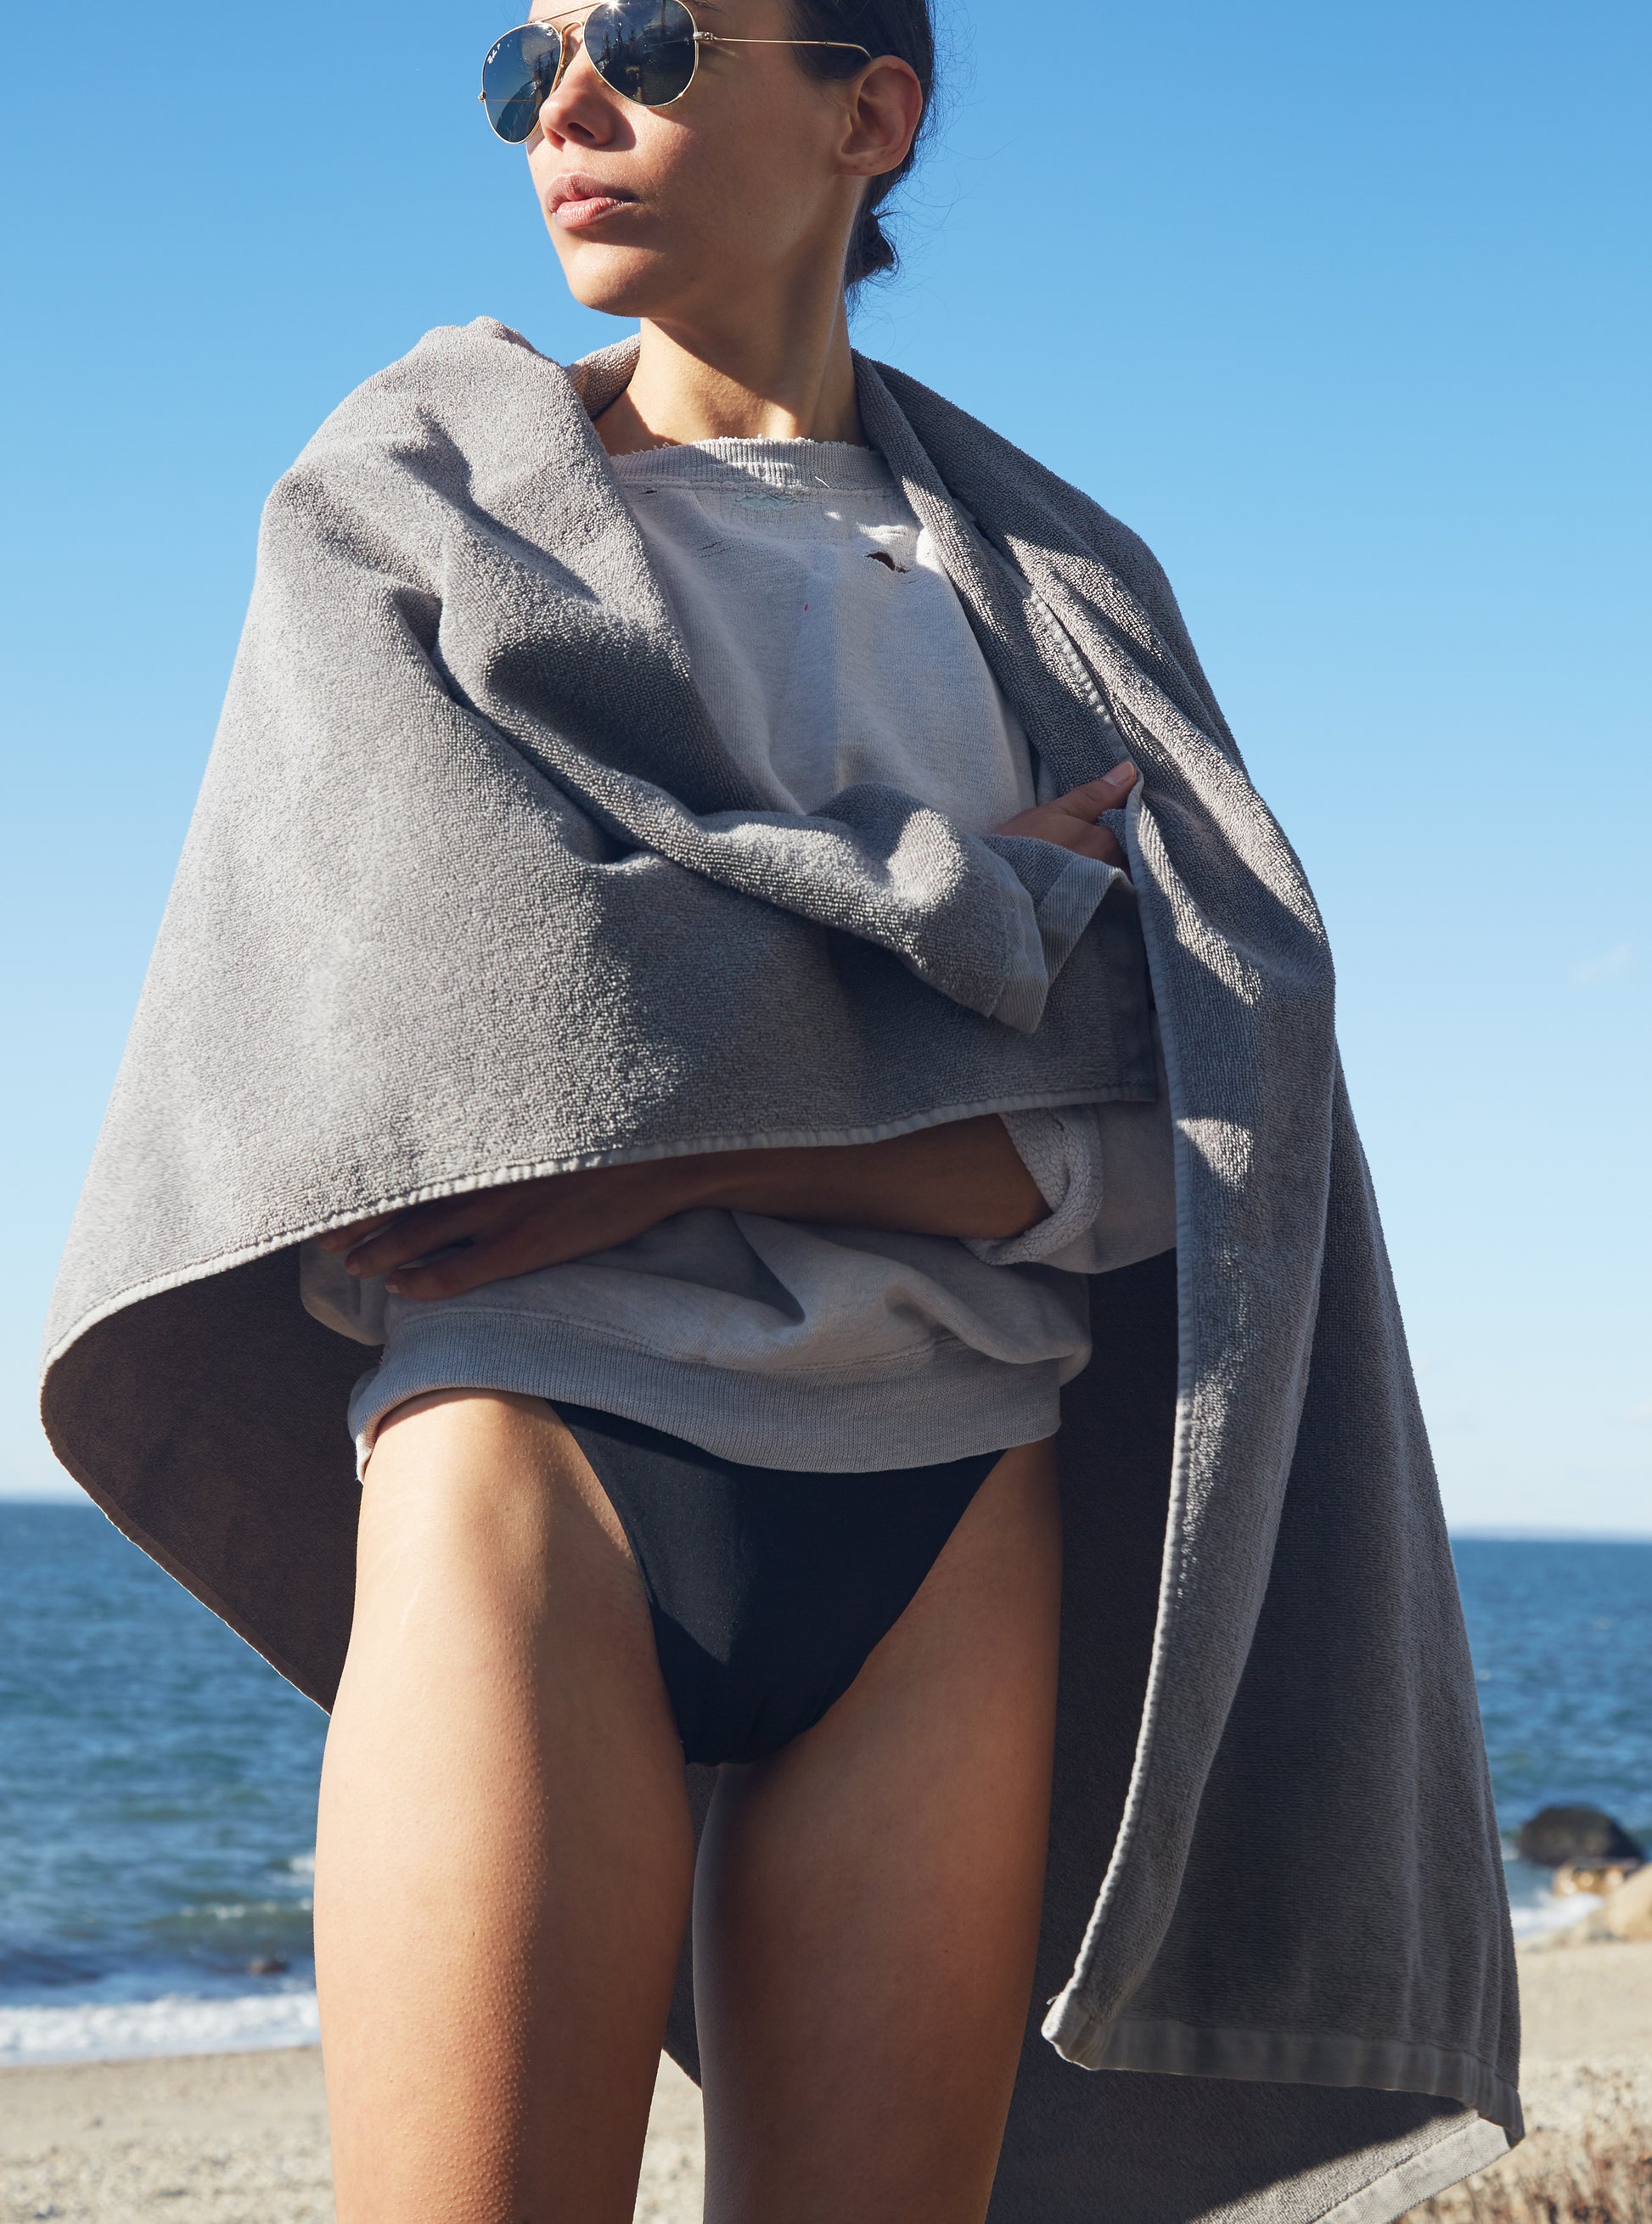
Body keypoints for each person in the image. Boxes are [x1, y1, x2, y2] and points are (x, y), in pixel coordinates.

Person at [41, 2, 1522, 2219]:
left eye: (644, 37)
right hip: (538, 1457)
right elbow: (449, 1063)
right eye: (514, 60)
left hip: (950, 1507)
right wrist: (980, 923)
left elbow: (1205, 1145)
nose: (562, 106)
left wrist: (726, 1130)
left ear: (871, 110)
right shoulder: (410, 519)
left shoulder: (1067, 598)